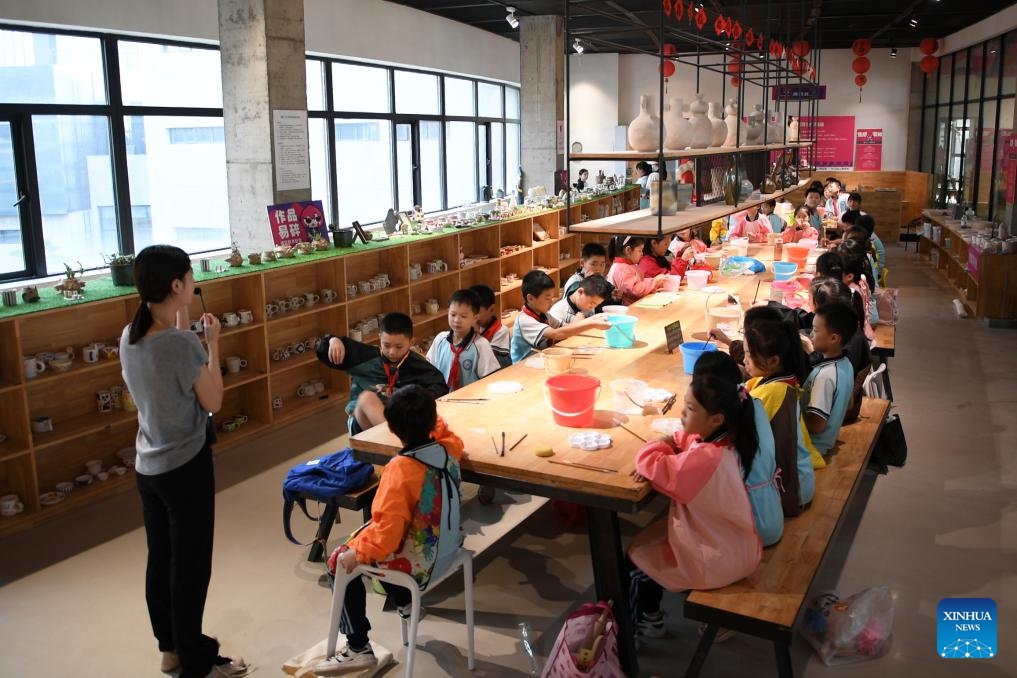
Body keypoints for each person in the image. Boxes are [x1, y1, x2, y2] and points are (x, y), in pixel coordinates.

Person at [119, 245, 250, 678]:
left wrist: (187, 330)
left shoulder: (130, 335)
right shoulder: (180, 345)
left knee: (162, 559)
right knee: (190, 566)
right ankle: (196, 660)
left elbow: (169, 365)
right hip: (185, 466)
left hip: (149, 465)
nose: (194, 285)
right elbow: (212, 401)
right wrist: (213, 346)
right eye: (190, 279)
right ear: (176, 285)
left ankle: (170, 649)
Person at [315, 386, 464, 676]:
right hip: (449, 547)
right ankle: (406, 604)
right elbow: (450, 435)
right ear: (434, 420)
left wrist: (357, 554)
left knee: (339, 560)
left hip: (419, 563)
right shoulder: (449, 449)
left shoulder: (399, 469)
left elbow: (387, 536)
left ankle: (358, 646)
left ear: (392, 429)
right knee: (372, 536)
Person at [625, 358, 762, 638]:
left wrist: (660, 443)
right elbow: (690, 441)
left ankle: (642, 626)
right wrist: (676, 439)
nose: (682, 413)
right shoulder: (726, 442)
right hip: (735, 548)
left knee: (633, 564)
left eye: (690, 408)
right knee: (649, 541)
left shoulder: (702, 460)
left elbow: (648, 462)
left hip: (715, 561)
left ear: (716, 419)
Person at [694, 352, 783, 548]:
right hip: (772, 514)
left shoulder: (721, 435)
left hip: (751, 529)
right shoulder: (753, 405)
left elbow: (685, 475)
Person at [741, 307, 819, 515]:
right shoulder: (784, 380)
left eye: (749, 354)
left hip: (792, 488)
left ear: (774, 361)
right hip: (801, 478)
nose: (744, 360)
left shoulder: (770, 393)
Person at [318, 313, 448, 434]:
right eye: (386, 345)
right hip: (364, 422)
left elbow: (439, 386)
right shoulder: (364, 356)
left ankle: (395, 442)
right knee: (366, 398)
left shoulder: (419, 365)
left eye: (398, 347)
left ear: (411, 342)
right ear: (380, 337)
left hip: (402, 420)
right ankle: (394, 443)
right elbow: (323, 350)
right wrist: (332, 340)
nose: (391, 352)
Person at [509, 270, 611, 363]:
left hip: (541, 360)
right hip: (524, 365)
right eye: (547, 298)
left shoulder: (544, 315)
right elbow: (557, 334)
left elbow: (564, 327)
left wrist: (591, 320)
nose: (551, 301)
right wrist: (591, 322)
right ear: (530, 298)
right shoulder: (524, 320)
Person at [801, 303, 857, 458]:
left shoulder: (825, 377)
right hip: (826, 442)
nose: (811, 334)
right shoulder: (846, 364)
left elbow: (817, 426)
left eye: (816, 330)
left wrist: (791, 416)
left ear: (833, 338)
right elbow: (849, 404)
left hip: (810, 449)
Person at [426, 289, 500, 390]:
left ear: (475, 318)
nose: (456, 320)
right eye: (453, 315)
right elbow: (430, 371)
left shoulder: (481, 345)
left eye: (463, 316)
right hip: (443, 398)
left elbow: (491, 379)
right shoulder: (440, 339)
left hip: (472, 400)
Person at [606, 235, 667, 304]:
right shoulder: (622, 269)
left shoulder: (629, 265)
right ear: (628, 250)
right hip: (627, 309)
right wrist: (654, 282)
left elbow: (640, 282)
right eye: (639, 250)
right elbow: (635, 290)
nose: (642, 254)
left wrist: (655, 285)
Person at [563, 242, 620, 307]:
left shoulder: (600, 279)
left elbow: (605, 304)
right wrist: (588, 283)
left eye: (602, 264)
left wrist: (615, 298)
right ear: (582, 263)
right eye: (593, 264)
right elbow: (578, 306)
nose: (598, 269)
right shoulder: (574, 282)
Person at [470, 284, 510, 368]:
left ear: (491, 309)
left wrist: (475, 334)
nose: (473, 316)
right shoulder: (471, 327)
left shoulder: (501, 331)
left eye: (477, 312)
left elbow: (486, 357)